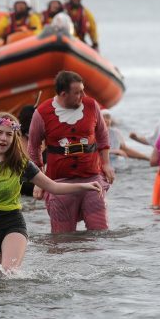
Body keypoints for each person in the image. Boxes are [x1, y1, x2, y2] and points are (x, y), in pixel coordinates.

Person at [0, 112, 102, 273]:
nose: (3, 138)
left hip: (12, 224)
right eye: (0, 133)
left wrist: (85, 185)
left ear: (15, 137)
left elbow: (53, 187)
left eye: (9, 134)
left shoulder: (21, 164)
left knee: (9, 274)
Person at [28, 70, 114, 233]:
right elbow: (33, 147)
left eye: (83, 90)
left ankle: (95, 260)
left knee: (100, 232)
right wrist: (38, 181)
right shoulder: (42, 113)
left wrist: (107, 164)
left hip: (92, 179)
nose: (83, 94)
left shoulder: (91, 106)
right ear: (63, 94)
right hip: (58, 183)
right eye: (78, 92)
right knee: (62, 239)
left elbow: (102, 135)